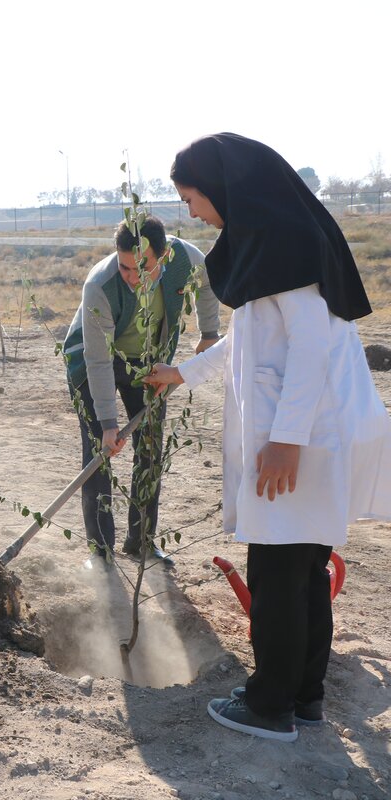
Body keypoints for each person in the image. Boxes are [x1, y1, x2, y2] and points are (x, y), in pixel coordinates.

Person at [146, 133, 391, 742]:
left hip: (302, 440)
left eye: (192, 198)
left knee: (279, 573)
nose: (193, 213)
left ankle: (268, 706)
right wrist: (184, 372)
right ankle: (304, 697)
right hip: (309, 436)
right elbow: (250, 340)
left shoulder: (284, 246)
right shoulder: (276, 246)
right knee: (304, 569)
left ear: (222, 186)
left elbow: (308, 348)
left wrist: (286, 440)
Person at [62, 217, 219, 569]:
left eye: (140, 267)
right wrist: (107, 424)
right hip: (92, 362)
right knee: (99, 454)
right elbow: (98, 362)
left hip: (148, 363)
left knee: (149, 448)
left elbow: (209, 280)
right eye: (124, 267)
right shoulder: (100, 286)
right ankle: (100, 553)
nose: (131, 276)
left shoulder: (185, 259)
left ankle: (142, 542)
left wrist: (209, 333)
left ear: (162, 257)